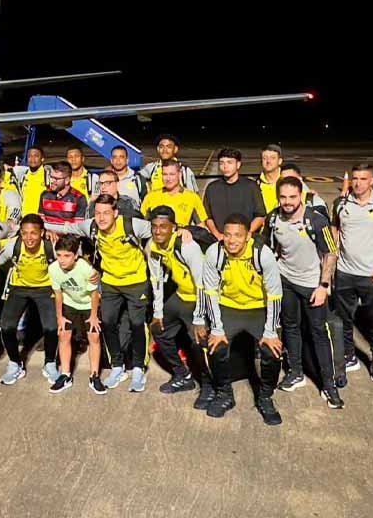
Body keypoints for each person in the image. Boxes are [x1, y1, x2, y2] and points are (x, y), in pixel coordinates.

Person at [46, 194, 154, 392]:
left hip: (136, 282)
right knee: (109, 324)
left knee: (137, 325)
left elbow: (159, 229)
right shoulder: (91, 226)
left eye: (106, 213)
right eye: (97, 213)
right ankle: (117, 366)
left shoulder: (132, 225)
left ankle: (138, 369)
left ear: (115, 212)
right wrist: (42, 225)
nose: (101, 218)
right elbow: (67, 227)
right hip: (110, 282)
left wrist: (181, 230)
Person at [262, 177, 344, 408]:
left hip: (311, 285)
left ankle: (329, 385)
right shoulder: (273, 217)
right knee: (290, 327)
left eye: (292, 197)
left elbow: (331, 252)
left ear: (301, 196)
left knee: (318, 333)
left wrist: (323, 286)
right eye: (283, 197)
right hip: (285, 281)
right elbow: (267, 247)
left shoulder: (316, 220)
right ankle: (296, 372)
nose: (287, 202)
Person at [202, 214, 284, 424]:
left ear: (248, 235)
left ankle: (265, 397)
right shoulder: (215, 253)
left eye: (238, 235)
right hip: (229, 306)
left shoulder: (262, 254)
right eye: (227, 235)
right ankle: (224, 394)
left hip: (258, 308)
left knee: (272, 351)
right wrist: (217, 328)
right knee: (215, 346)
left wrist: (271, 332)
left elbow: (275, 294)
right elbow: (210, 292)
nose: (231, 240)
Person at [330, 164, 373, 383]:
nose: (358, 183)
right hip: (344, 273)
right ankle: (349, 355)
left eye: (363, 179)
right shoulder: (340, 203)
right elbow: (335, 229)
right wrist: (334, 258)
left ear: (372, 181)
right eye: (355, 179)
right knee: (344, 319)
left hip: (371, 275)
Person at [0, 214, 60, 385]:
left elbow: (72, 257)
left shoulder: (51, 246)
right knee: (6, 327)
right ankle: (15, 363)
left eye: (33, 233)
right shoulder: (13, 246)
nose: (29, 238)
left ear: (42, 232)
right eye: (25, 233)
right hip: (18, 288)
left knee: (51, 327)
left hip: (45, 289)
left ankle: (49, 363)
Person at [144, 206, 209, 398]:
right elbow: (156, 280)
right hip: (181, 295)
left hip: (200, 298)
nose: (158, 231)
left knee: (200, 342)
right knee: (158, 329)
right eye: (154, 226)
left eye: (163, 226)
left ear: (173, 227)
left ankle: (208, 385)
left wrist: (199, 318)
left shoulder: (187, 246)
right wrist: (157, 313)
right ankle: (183, 375)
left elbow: (202, 283)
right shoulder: (154, 246)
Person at [49, 234, 105, 394]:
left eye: (67, 256)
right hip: (69, 303)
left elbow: (94, 295)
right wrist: (60, 317)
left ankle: (94, 376)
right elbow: (58, 294)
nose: (62, 260)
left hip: (88, 304)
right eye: (59, 255)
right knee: (64, 335)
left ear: (75, 256)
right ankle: (65, 374)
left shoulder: (86, 269)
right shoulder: (53, 269)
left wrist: (94, 316)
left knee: (93, 337)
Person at [202, 148, 265, 239]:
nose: (225, 166)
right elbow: (207, 217)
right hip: (219, 239)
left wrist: (247, 233)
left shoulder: (251, 186)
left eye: (229, 162)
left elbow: (260, 215)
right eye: (222, 163)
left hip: (245, 239)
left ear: (238, 164)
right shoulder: (212, 188)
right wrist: (217, 235)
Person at [140, 160, 210, 228]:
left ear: (180, 175)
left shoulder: (192, 198)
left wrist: (188, 232)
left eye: (172, 174)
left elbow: (201, 227)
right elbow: (141, 224)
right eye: (165, 174)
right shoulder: (151, 197)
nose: (168, 178)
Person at [39, 161, 88, 225]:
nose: (52, 181)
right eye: (51, 177)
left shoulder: (79, 198)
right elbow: (40, 223)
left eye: (56, 178)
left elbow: (78, 228)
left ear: (67, 180)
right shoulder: (45, 195)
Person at [11, 146, 52, 219]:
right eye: (29, 156)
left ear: (42, 158)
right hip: (25, 219)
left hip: (42, 220)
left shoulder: (49, 175)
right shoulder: (23, 175)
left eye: (36, 156)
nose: (32, 159)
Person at [256, 144, 284, 214]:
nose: (268, 161)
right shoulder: (255, 185)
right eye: (265, 158)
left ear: (280, 161)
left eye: (273, 158)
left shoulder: (289, 181)